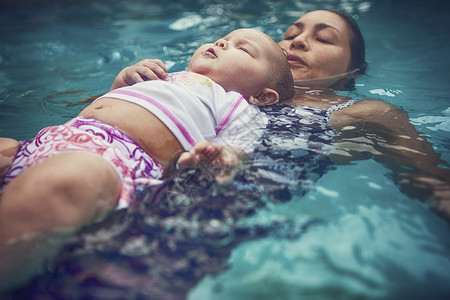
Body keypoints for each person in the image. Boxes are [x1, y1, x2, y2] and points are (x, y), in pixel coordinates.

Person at [0, 28, 294, 290]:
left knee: (63, 181)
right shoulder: (167, 75)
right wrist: (125, 79)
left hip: (116, 159)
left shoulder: (236, 105)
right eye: (225, 38)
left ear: (263, 96)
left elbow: (240, 144)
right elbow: (113, 100)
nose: (222, 42)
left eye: (242, 48)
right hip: (48, 140)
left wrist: (224, 154)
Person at [178, 9, 450, 219]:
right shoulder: (219, 83)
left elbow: (433, 182)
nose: (297, 41)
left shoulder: (363, 112)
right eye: (288, 34)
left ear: (354, 69)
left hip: (236, 214)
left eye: (323, 39)